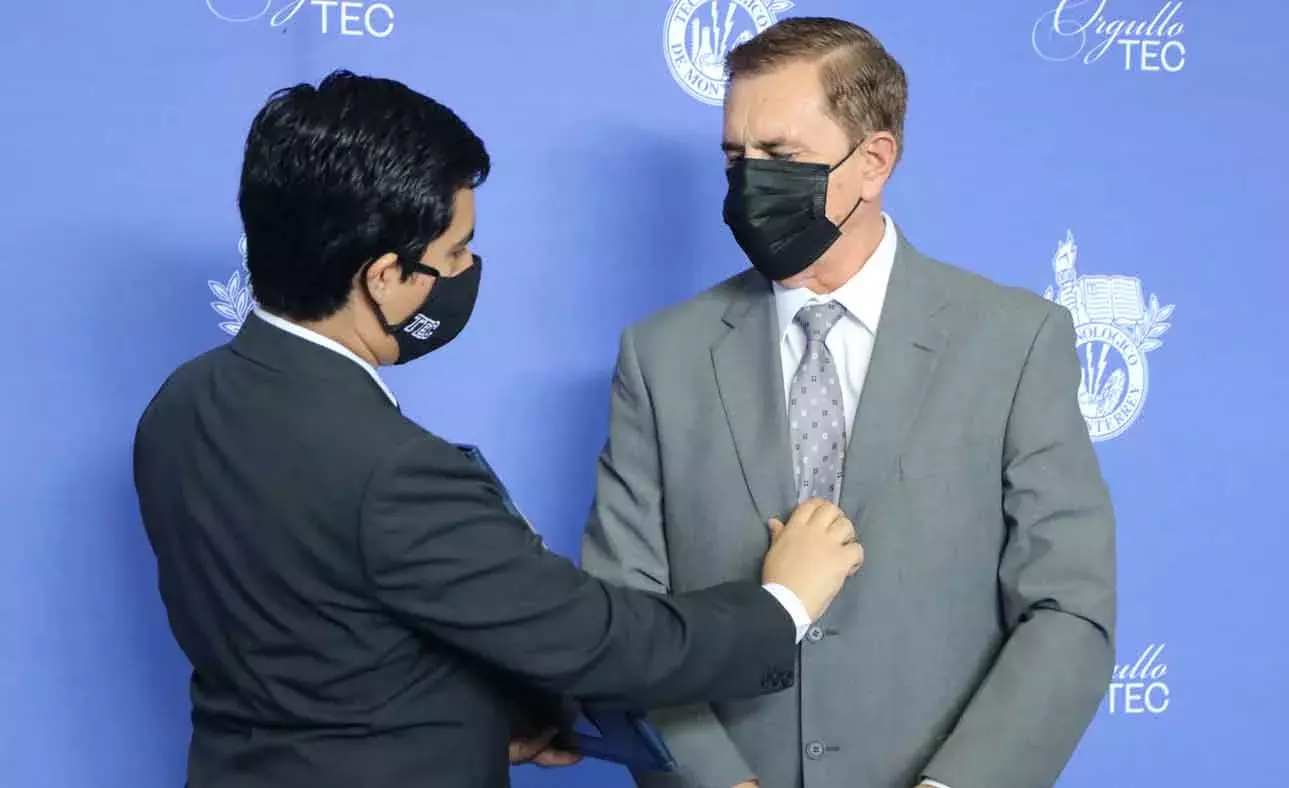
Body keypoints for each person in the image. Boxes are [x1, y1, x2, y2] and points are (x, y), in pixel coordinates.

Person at [131, 70, 864, 788]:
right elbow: (599, 642)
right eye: (455, 252)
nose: (469, 268)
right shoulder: (394, 474)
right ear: (385, 278)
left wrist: (475, 719)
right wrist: (783, 603)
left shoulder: (183, 403)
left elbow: (318, 645)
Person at [580, 16, 1117, 788]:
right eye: (735, 156)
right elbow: (625, 614)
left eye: (781, 156)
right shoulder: (660, 356)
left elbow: (1069, 609)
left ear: (874, 161)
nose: (748, 180)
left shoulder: (1015, 342)